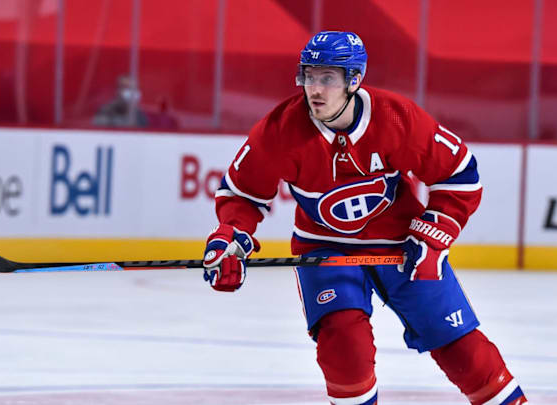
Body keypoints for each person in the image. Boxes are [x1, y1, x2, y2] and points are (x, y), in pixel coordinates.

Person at [202, 31, 527, 405]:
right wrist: (229, 236)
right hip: (324, 248)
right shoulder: (280, 130)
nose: (315, 89)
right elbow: (243, 193)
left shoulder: (395, 118)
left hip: (402, 244)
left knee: (463, 349)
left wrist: (435, 234)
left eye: (328, 78)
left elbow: (460, 173)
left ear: (354, 80)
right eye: (309, 76)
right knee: (344, 350)